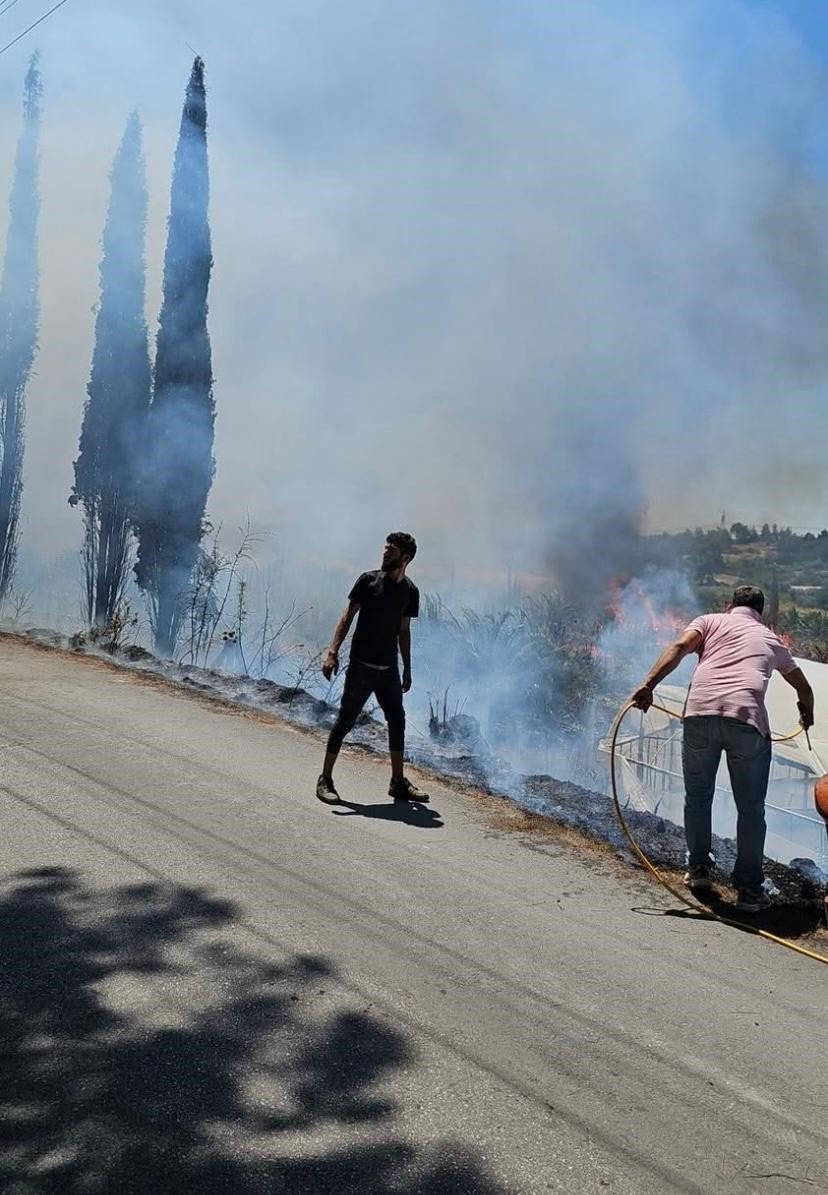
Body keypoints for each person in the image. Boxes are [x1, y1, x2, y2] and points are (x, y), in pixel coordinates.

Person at [632, 585, 814, 912]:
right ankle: (749, 890)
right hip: (746, 722)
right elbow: (802, 685)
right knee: (751, 808)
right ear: (761, 611)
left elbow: (678, 646)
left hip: (699, 714)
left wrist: (648, 685)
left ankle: (699, 870)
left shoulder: (708, 621)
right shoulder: (771, 639)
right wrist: (807, 713)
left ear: (730, 604)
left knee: (698, 797)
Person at [316, 532, 429, 805]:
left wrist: (407, 668)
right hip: (361, 667)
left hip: (388, 670)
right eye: (385, 549)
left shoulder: (410, 591)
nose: (385, 553)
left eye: (392, 551)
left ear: (405, 558)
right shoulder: (368, 581)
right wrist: (332, 652)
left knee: (397, 721)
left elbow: (404, 631)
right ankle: (325, 779)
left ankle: (397, 782)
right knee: (345, 720)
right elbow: (347, 616)